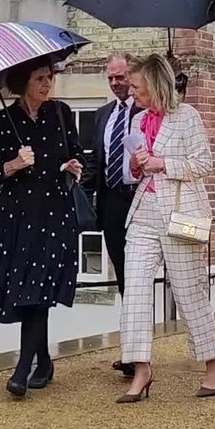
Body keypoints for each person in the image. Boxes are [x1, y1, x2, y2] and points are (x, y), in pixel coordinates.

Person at [116, 54, 215, 402]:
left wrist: (162, 163)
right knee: (134, 290)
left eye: (136, 87)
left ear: (156, 85)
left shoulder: (186, 116)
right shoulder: (137, 121)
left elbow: (203, 164)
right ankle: (141, 369)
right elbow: (130, 175)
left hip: (181, 215)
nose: (132, 93)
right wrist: (135, 166)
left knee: (189, 291)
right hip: (143, 213)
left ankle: (211, 363)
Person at [0, 62, 85, 398]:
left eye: (50, 77)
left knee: (38, 290)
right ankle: (43, 360)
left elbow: (78, 154)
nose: (47, 83)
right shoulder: (2, 121)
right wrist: (14, 164)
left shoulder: (61, 112)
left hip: (54, 214)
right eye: (40, 78)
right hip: (18, 216)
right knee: (28, 290)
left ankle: (23, 370)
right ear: (23, 82)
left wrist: (74, 165)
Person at [82, 53, 143, 379]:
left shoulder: (148, 110)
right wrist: (77, 184)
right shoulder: (103, 114)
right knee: (124, 278)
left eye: (121, 77)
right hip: (111, 205)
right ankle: (132, 353)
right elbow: (97, 163)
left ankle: (138, 352)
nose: (116, 83)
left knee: (138, 280)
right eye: (111, 78)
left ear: (132, 76)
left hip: (141, 203)